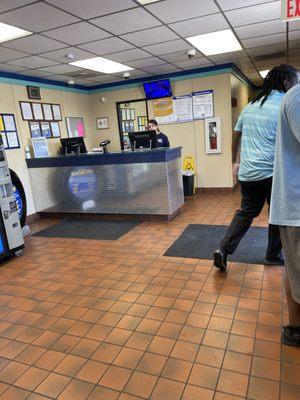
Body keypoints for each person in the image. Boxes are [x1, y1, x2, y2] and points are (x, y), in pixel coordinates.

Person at [213, 64, 299, 271]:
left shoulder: (250, 106)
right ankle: (272, 256)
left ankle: (223, 250)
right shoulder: (287, 103)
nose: (297, 87)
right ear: (287, 82)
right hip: (272, 173)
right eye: (296, 82)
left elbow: (236, 133)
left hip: (248, 173)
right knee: (276, 214)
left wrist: (235, 161)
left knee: (246, 213)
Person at [269, 83, 300, 346]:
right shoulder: (297, 97)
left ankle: (294, 328)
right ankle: (295, 328)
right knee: (295, 269)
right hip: (294, 204)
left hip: (285, 198)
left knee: (294, 270)